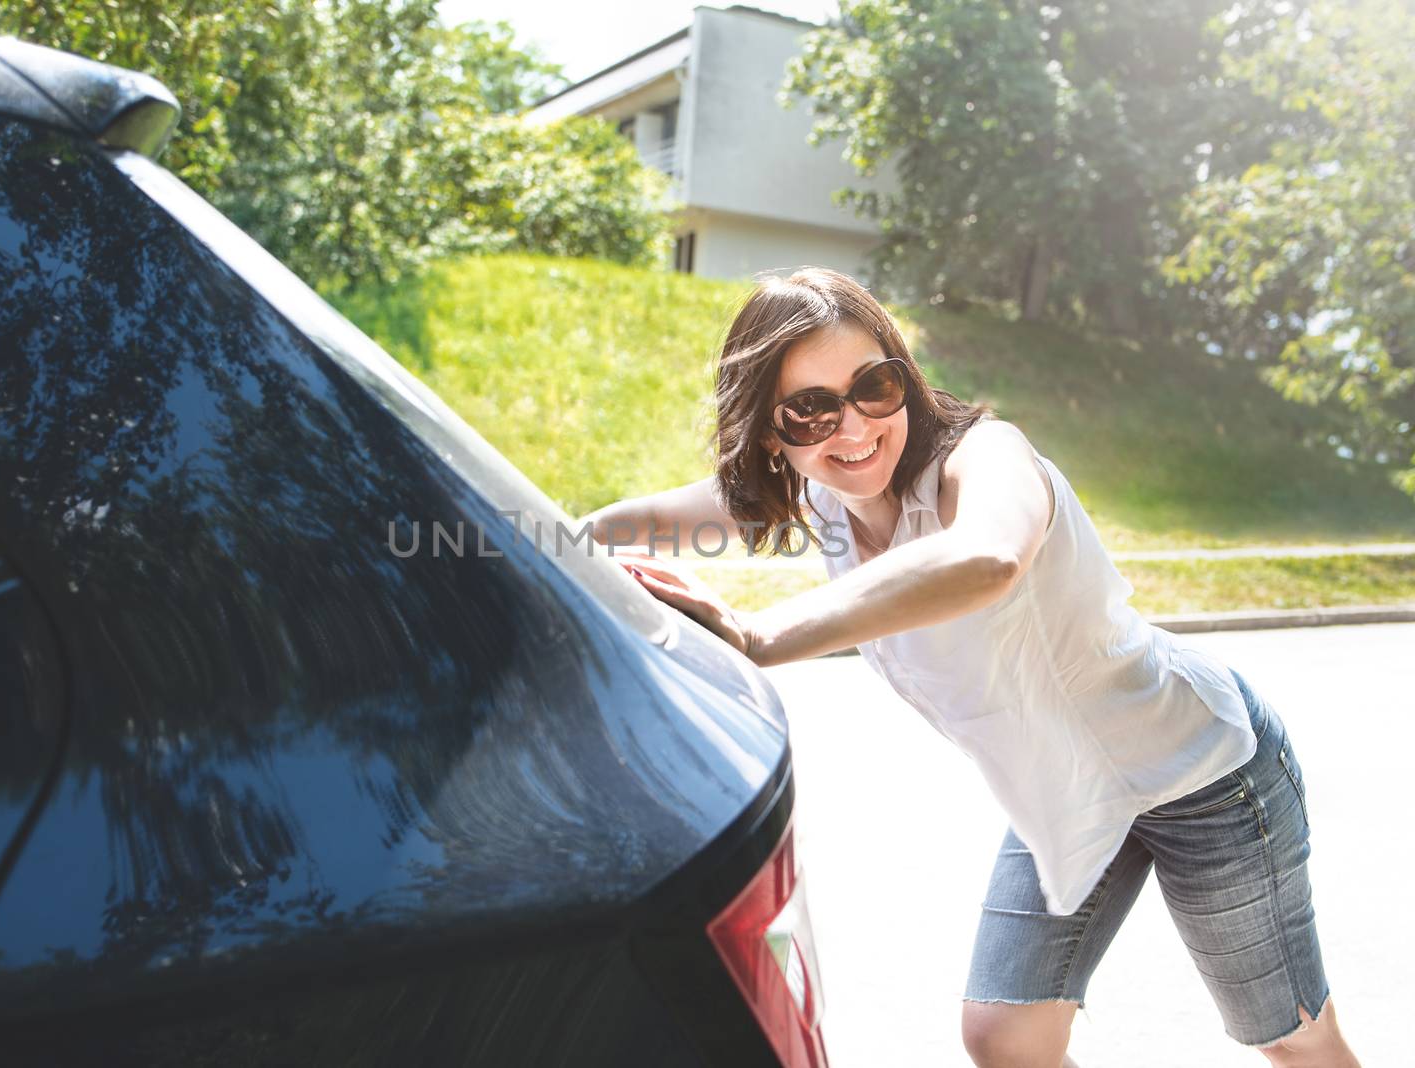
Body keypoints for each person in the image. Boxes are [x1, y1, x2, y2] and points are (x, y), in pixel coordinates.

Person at [581, 267, 1361, 1067]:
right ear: (770, 431)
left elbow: (986, 557)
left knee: (1292, 1039)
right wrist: (534, 549)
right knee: (1007, 1038)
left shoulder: (984, 457)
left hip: (1204, 774)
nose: (850, 428)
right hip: (1064, 788)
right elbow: (642, 523)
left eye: (872, 386)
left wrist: (755, 636)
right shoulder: (819, 492)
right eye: (809, 409)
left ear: (905, 381)